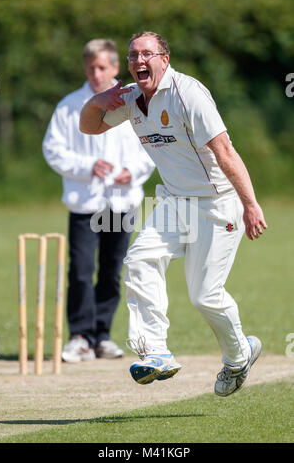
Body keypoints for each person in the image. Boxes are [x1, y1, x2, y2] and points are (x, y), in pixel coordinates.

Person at [79, 31, 267, 397]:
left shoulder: (188, 94)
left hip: (216, 203)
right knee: (138, 261)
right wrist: (98, 100)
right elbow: (90, 126)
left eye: (147, 54)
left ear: (164, 58)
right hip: (174, 201)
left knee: (204, 296)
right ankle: (156, 351)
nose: (138, 61)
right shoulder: (131, 97)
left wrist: (250, 203)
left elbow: (225, 150)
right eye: (132, 55)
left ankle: (238, 355)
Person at [43, 38, 155, 363]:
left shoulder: (135, 101)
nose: (96, 73)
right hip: (85, 203)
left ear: (115, 68)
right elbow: (53, 149)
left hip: (121, 202)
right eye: (91, 67)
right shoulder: (68, 105)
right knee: (80, 270)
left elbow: (151, 146)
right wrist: (86, 167)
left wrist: (130, 171)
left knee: (111, 271)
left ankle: (102, 336)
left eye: (102, 67)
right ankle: (80, 336)